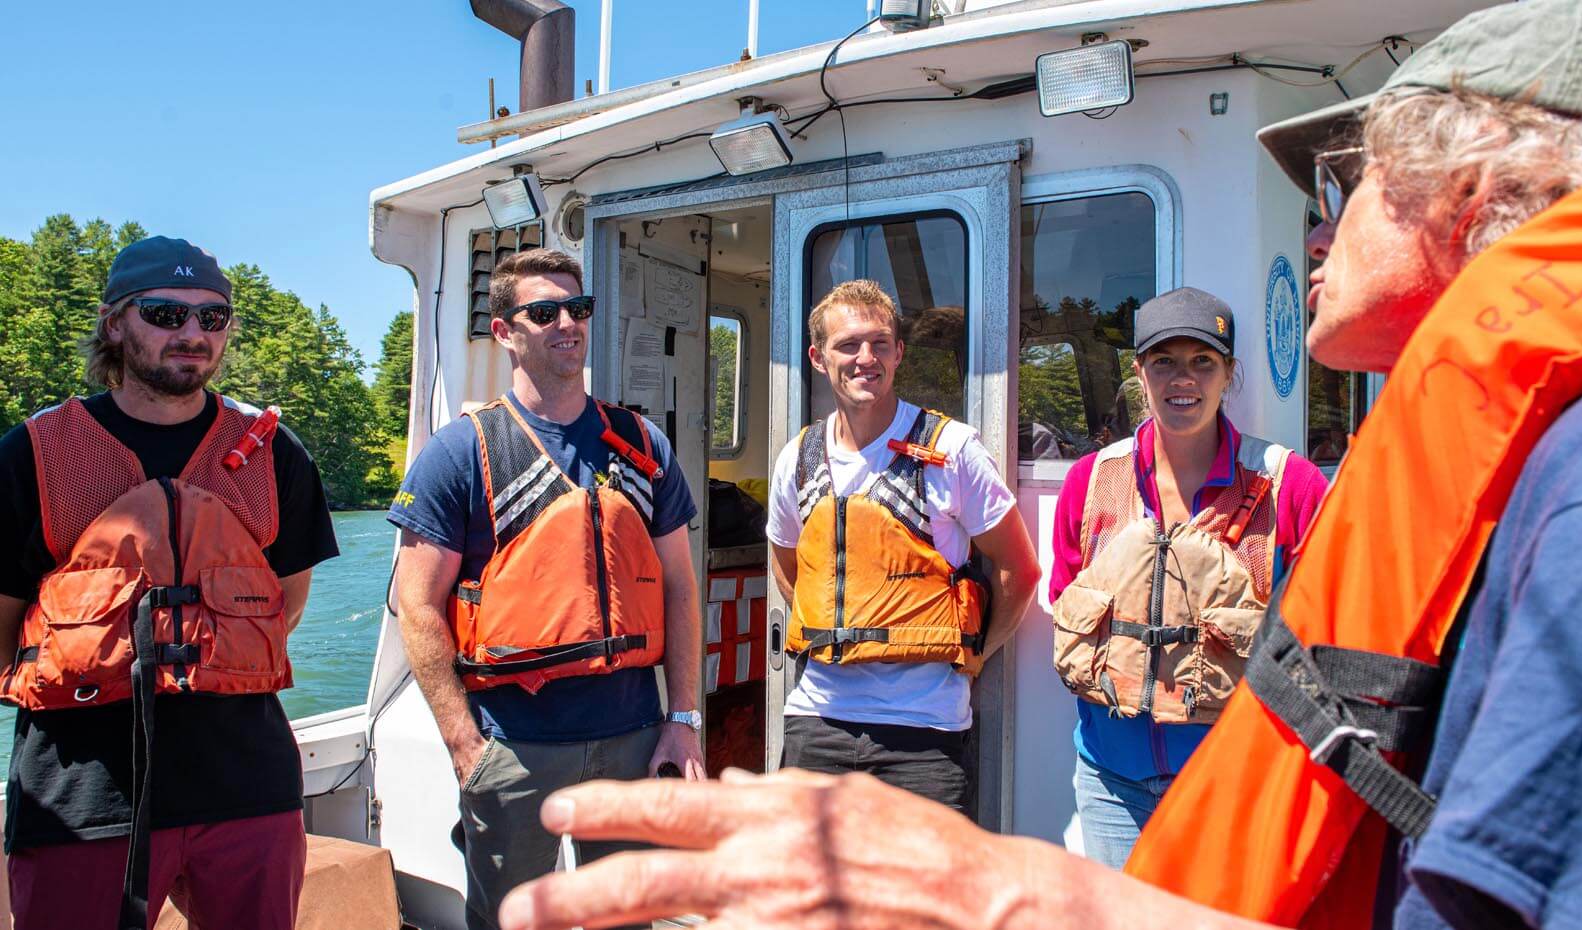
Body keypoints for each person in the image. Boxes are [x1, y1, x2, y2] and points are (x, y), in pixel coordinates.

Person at [489, 2, 1582, 928]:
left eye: (1341, 187)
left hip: (960, 719)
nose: (1316, 230)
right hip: (940, 726)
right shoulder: (1552, 454)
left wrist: (1004, 891)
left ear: (1474, 192)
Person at [0, 236, 338, 929]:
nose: (192, 334)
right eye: (165, 314)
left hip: (250, 788)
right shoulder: (33, 455)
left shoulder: (274, 454)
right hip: (83, 799)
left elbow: (284, 607)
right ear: (114, 322)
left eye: (212, 319)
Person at [388, 248, 705, 930]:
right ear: (504, 331)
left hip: (630, 736)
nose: (568, 323)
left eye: (578, 308)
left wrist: (682, 719)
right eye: (544, 311)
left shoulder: (639, 443)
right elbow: (413, 603)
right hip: (513, 749)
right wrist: (464, 746)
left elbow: (680, 586)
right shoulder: (460, 452)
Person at [1049, 287, 1326, 867]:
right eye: (1164, 361)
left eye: (1204, 361)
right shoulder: (1091, 481)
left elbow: (1326, 624)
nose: (1185, 379)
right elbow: (1064, 602)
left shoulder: (1288, 484)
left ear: (1229, 373)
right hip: (1110, 786)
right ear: (1139, 373)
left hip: (1235, 783)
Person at [766, 279, 1040, 814]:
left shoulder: (952, 450)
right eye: (848, 345)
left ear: (898, 354)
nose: (865, 358)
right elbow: (788, 566)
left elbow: (1020, 569)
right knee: (810, 893)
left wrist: (977, 653)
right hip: (816, 723)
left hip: (925, 732)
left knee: (920, 897)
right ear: (818, 358)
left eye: (880, 344)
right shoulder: (797, 458)